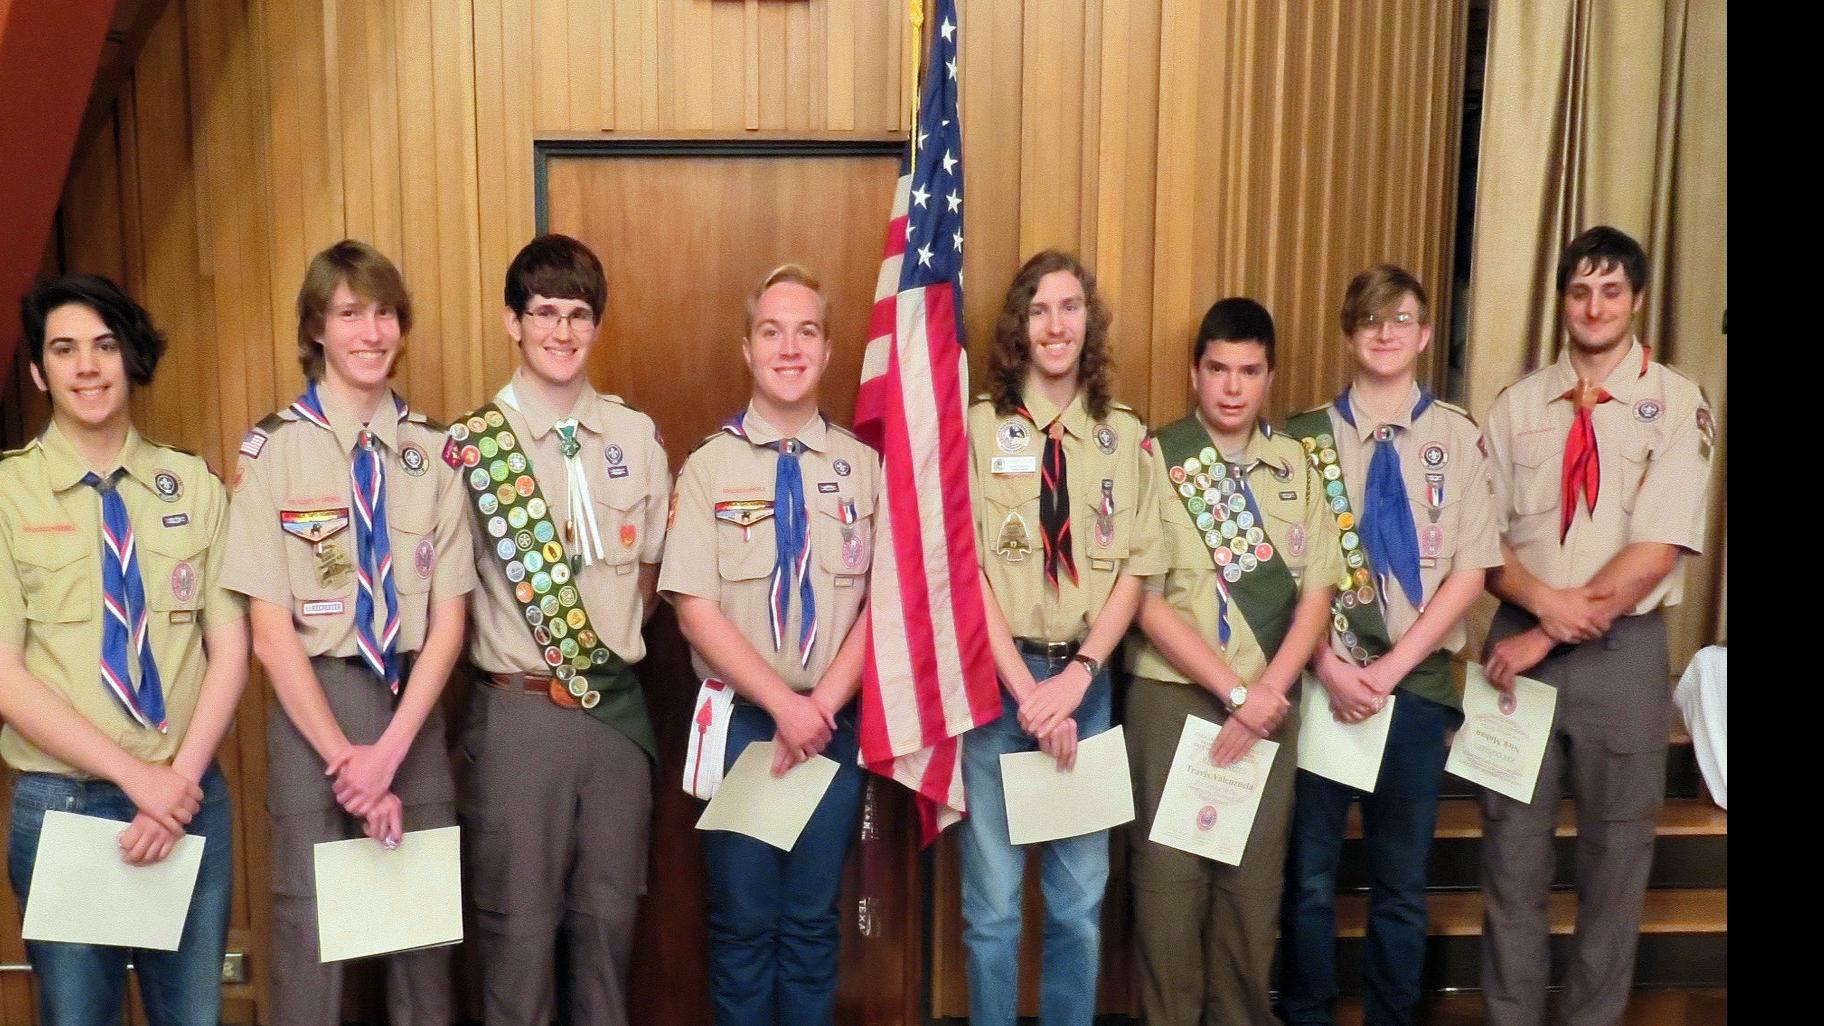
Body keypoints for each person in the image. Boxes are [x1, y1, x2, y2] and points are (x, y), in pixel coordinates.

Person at [222, 240, 476, 1026]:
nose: (372, 332)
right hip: (313, 722)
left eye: (385, 313)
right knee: (309, 957)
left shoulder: (435, 454)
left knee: (423, 957)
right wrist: (347, 763)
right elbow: (268, 631)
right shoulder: (271, 452)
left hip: (412, 713)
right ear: (317, 329)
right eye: (349, 314)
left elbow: (449, 621)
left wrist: (391, 753)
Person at [1478, 225, 1713, 1026]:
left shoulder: (1679, 404)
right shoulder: (1516, 407)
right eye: (1580, 290)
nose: (1595, 305)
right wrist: (1539, 613)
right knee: (1511, 860)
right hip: (1515, 655)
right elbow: (1484, 543)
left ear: (1637, 299)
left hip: (1621, 656)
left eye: (1612, 290)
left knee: (1615, 865)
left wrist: (1549, 627)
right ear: (1562, 300)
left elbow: (1656, 549)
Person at [0, 274, 248, 1025]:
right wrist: (136, 778)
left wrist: (174, 784)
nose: (87, 367)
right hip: (64, 805)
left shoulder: (195, 486)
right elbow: (5, 677)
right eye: (65, 350)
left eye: (105, 346)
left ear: (129, 357)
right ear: (41, 372)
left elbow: (230, 645)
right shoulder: (8, 496)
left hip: (188, 801)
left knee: (193, 1017)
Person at [452, 233, 669, 1024]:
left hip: (611, 719)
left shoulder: (635, 439)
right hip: (518, 717)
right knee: (517, 938)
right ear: (513, 322)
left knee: (609, 932)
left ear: (596, 326)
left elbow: (646, 579)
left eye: (579, 315)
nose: (562, 331)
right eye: (544, 313)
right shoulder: (471, 450)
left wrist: (595, 653)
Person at [1277, 267, 1501, 1026]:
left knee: (1400, 883)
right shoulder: (1302, 439)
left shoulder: (1458, 436)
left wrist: (1393, 669)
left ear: (1426, 334)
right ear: (1348, 333)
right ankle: (1306, 1010)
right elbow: (1281, 570)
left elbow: (1470, 570)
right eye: (1369, 318)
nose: (1384, 331)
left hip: (1414, 687)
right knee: (1308, 876)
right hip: (1322, 685)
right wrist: (1329, 667)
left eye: (1401, 318)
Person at [659, 264, 878, 1025]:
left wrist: (817, 707)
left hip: (830, 727)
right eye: (772, 331)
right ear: (748, 350)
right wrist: (783, 704)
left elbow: (882, 609)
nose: (790, 348)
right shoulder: (708, 467)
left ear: (826, 351)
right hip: (745, 727)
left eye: (807, 331)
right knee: (744, 929)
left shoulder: (864, 468)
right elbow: (694, 609)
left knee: (814, 927)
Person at [960, 249, 1164, 1026]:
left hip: (1086, 686)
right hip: (998, 687)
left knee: (1079, 905)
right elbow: (965, 567)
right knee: (993, 913)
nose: (1056, 324)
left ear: (1089, 322)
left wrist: (1076, 679)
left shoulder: (1123, 436)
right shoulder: (980, 428)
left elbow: (1136, 570)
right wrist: (1026, 690)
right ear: (1019, 324)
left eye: (1070, 307)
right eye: (1040, 309)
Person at [1125, 297, 1340, 1025]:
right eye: (1217, 368)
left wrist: (1268, 690)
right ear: (1195, 371)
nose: (1231, 386)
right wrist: (1234, 689)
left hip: (1272, 703)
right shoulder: (1159, 457)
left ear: (1270, 376)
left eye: (1249, 371)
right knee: (1167, 892)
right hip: (1174, 696)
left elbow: (1319, 590)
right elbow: (1144, 601)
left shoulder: (1296, 466)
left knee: (1251, 893)